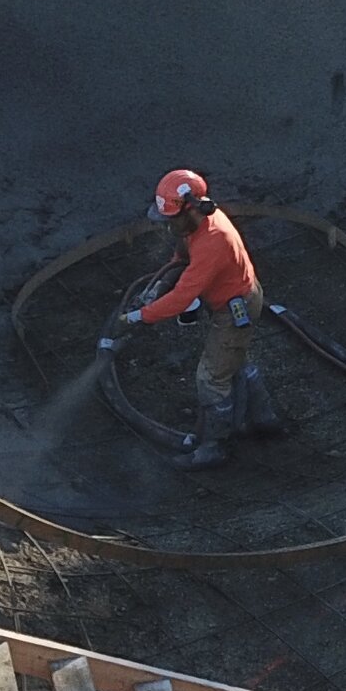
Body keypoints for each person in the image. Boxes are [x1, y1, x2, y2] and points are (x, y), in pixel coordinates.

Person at [123, 169, 290, 468]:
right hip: (233, 299)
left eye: (171, 218)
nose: (168, 225)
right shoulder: (196, 225)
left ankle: (215, 447)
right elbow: (181, 258)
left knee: (211, 377)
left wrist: (140, 316)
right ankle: (264, 420)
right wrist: (159, 284)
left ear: (190, 207)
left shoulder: (212, 240)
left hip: (234, 308)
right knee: (234, 360)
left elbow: (183, 297)